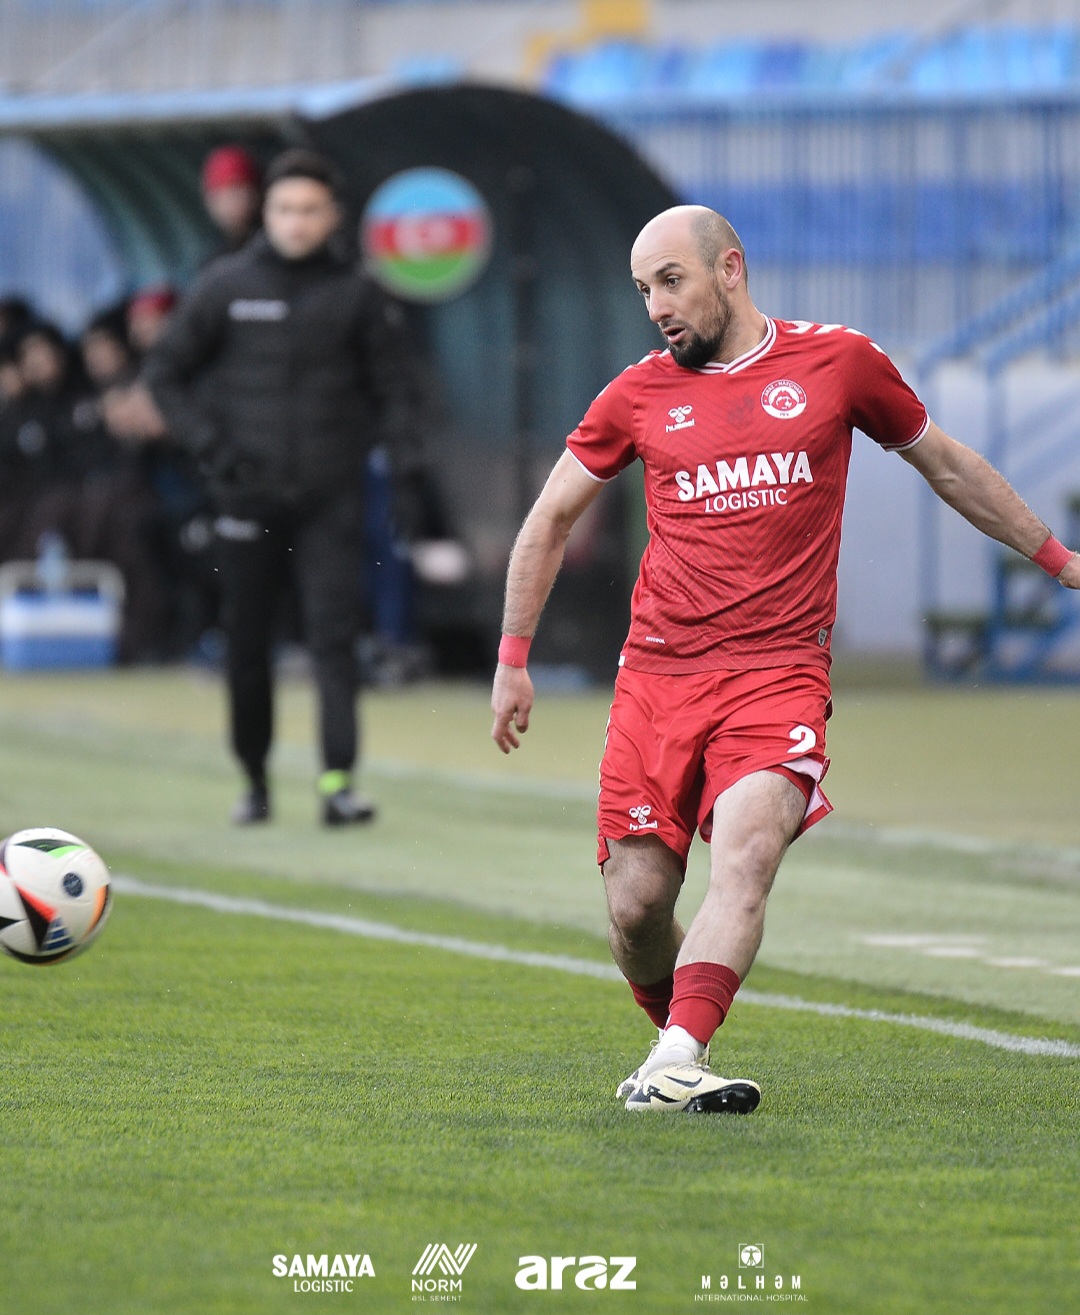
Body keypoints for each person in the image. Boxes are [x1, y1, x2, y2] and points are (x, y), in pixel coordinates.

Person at [489, 205, 1080, 1115]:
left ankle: (680, 1055)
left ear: (731, 268)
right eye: (643, 290)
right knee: (638, 907)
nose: (656, 306)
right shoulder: (636, 394)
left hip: (779, 673)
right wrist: (513, 657)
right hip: (658, 677)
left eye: (671, 281)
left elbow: (949, 466)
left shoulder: (839, 363)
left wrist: (1062, 561)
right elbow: (551, 518)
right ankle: (668, 1044)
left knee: (748, 856)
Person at [146, 148, 411, 826]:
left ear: (333, 216)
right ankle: (255, 782)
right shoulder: (226, 284)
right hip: (246, 494)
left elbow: (396, 395)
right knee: (246, 640)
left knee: (333, 638)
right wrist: (214, 449)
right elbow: (165, 374)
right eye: (285, 208)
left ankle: (336, 784)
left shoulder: (357, 293)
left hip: (331, 497)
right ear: (267, 213)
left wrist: (394, 470)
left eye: (310, 210)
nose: (296, 222)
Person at [200, 146, 262, 263]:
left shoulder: (271, 249)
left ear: (254, 195)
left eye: (234, 193)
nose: (227, 205)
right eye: (218, 196)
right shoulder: (213, 259)